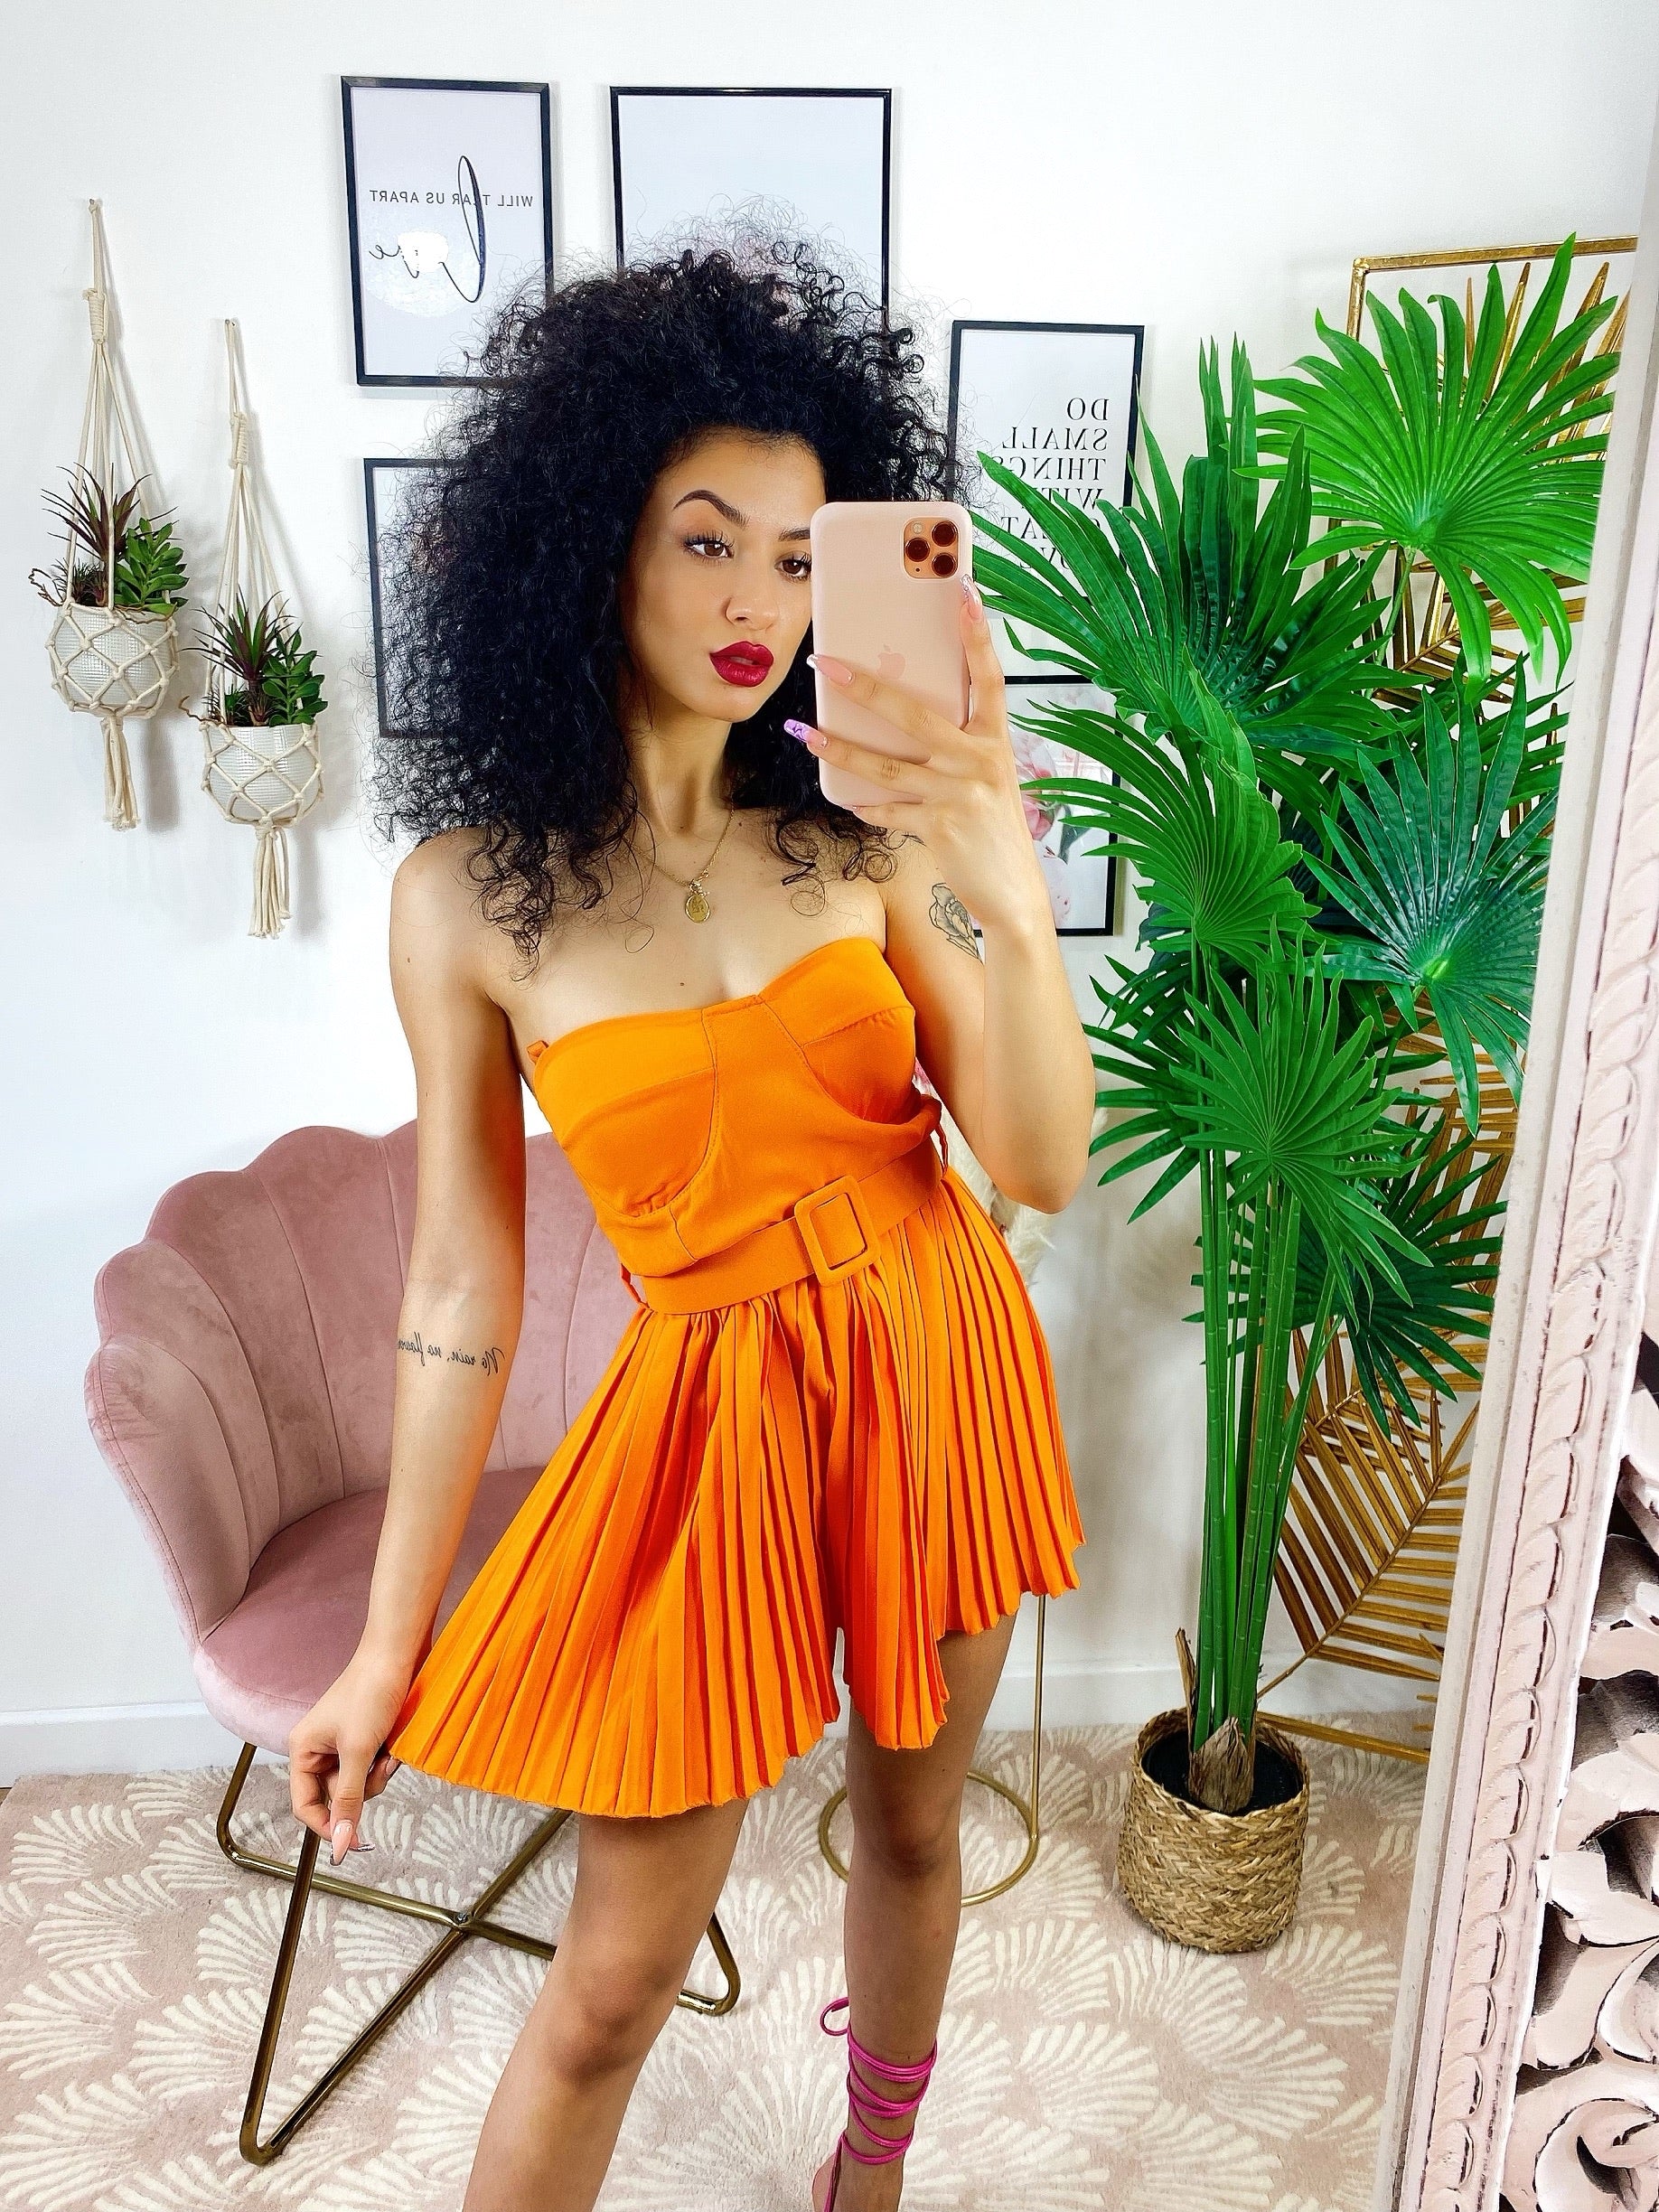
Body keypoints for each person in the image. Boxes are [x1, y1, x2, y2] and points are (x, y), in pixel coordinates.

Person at [286, 236, 1092, 2212]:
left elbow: (1042, 1163)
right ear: (591, 548)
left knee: (913, 1834)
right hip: (711, 1422)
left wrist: (1002, 875)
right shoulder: (466, 899)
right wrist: (386, 1647)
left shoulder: (856, 839)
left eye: (802, 560)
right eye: (708, 541)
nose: (758, 605)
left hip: (934, 1354)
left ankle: (870, 2174)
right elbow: (459, 1285)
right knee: (606, 1992)